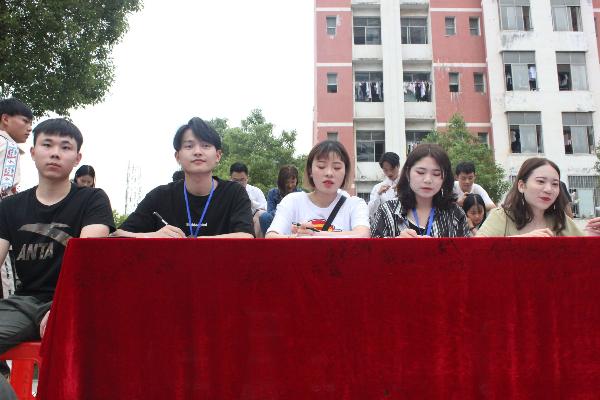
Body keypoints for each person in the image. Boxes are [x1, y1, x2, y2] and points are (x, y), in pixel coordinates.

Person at [0, 118, 115, 395]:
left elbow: (87, 264)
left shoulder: (92, 200)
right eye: (47, 145)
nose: (55, 153)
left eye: (65, 147)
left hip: (76, 303)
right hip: (26, 303)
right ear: (33, 152)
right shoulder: (10, 207)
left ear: (77, 158)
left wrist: (62, 307)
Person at [115, 117, 254, 238]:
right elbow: (117, 234)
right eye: (189, 146)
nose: (198, 152)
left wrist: (194, 243)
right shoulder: (160, 196)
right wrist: (152, 236)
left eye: (205, 145)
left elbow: (246, 236)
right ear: (177, 157)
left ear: (217, 156)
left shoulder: (234, 193)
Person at [266, 140, 370, 238]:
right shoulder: (292, 201)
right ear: (310, 171)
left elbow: (363, 235)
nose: (329, 173)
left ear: (345, 172)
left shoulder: (355, 205)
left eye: (337, 168)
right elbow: (271, 236)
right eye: (321, 166)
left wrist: (313, 234)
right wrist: (296, 237)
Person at [477, 157, 600, 237]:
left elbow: (582, 252)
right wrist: (518, 241)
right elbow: (475, 251)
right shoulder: (501, 217)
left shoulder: (560, 220)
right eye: (541, 181)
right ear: (521, 186)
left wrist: (593, 235)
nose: (548, 189)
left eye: (555, 184)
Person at [0, 98, 33, 384]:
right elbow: (5, 191)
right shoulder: (8, 147)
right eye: (25, 121)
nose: (29, 128)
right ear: (5, 119)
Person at [371, 143, 470, 238]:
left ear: (445, 177)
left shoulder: (455, 214)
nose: (428, 180)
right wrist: (396, 243)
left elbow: (465, 249)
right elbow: (372, 248)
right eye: (420, 172)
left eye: (436, 174)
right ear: (408, 173)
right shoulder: (387, 211)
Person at [259, 165, 302, 235]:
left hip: (294, 223)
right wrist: (284, 207)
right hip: (277, 220)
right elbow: (270, 212)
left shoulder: (300, 194)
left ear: (296, 180)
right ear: (281, 182)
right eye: (287, 182)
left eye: (293, 182)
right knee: (264, 217)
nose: (290, 185)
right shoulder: (272, 193)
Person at [229, 162, 267, 237]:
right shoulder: (225, 191)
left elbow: (266, 209)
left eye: (242, 180)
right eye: (235, 180)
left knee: (261, 214)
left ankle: (254, 242)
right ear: (230, 178)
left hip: (252, 222)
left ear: (247, 177)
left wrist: (250, 202)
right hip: (232, 221)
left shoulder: (256, 191)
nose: (239, 183)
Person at [368, 152, 400, 219]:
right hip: (386, 224)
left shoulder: (408, 185)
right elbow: (370, 212)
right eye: (385, 170)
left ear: (398, 166)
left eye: (392, 169)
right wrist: (378, 194)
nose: (389, 173)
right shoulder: (377, 188)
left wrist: (403, 192)